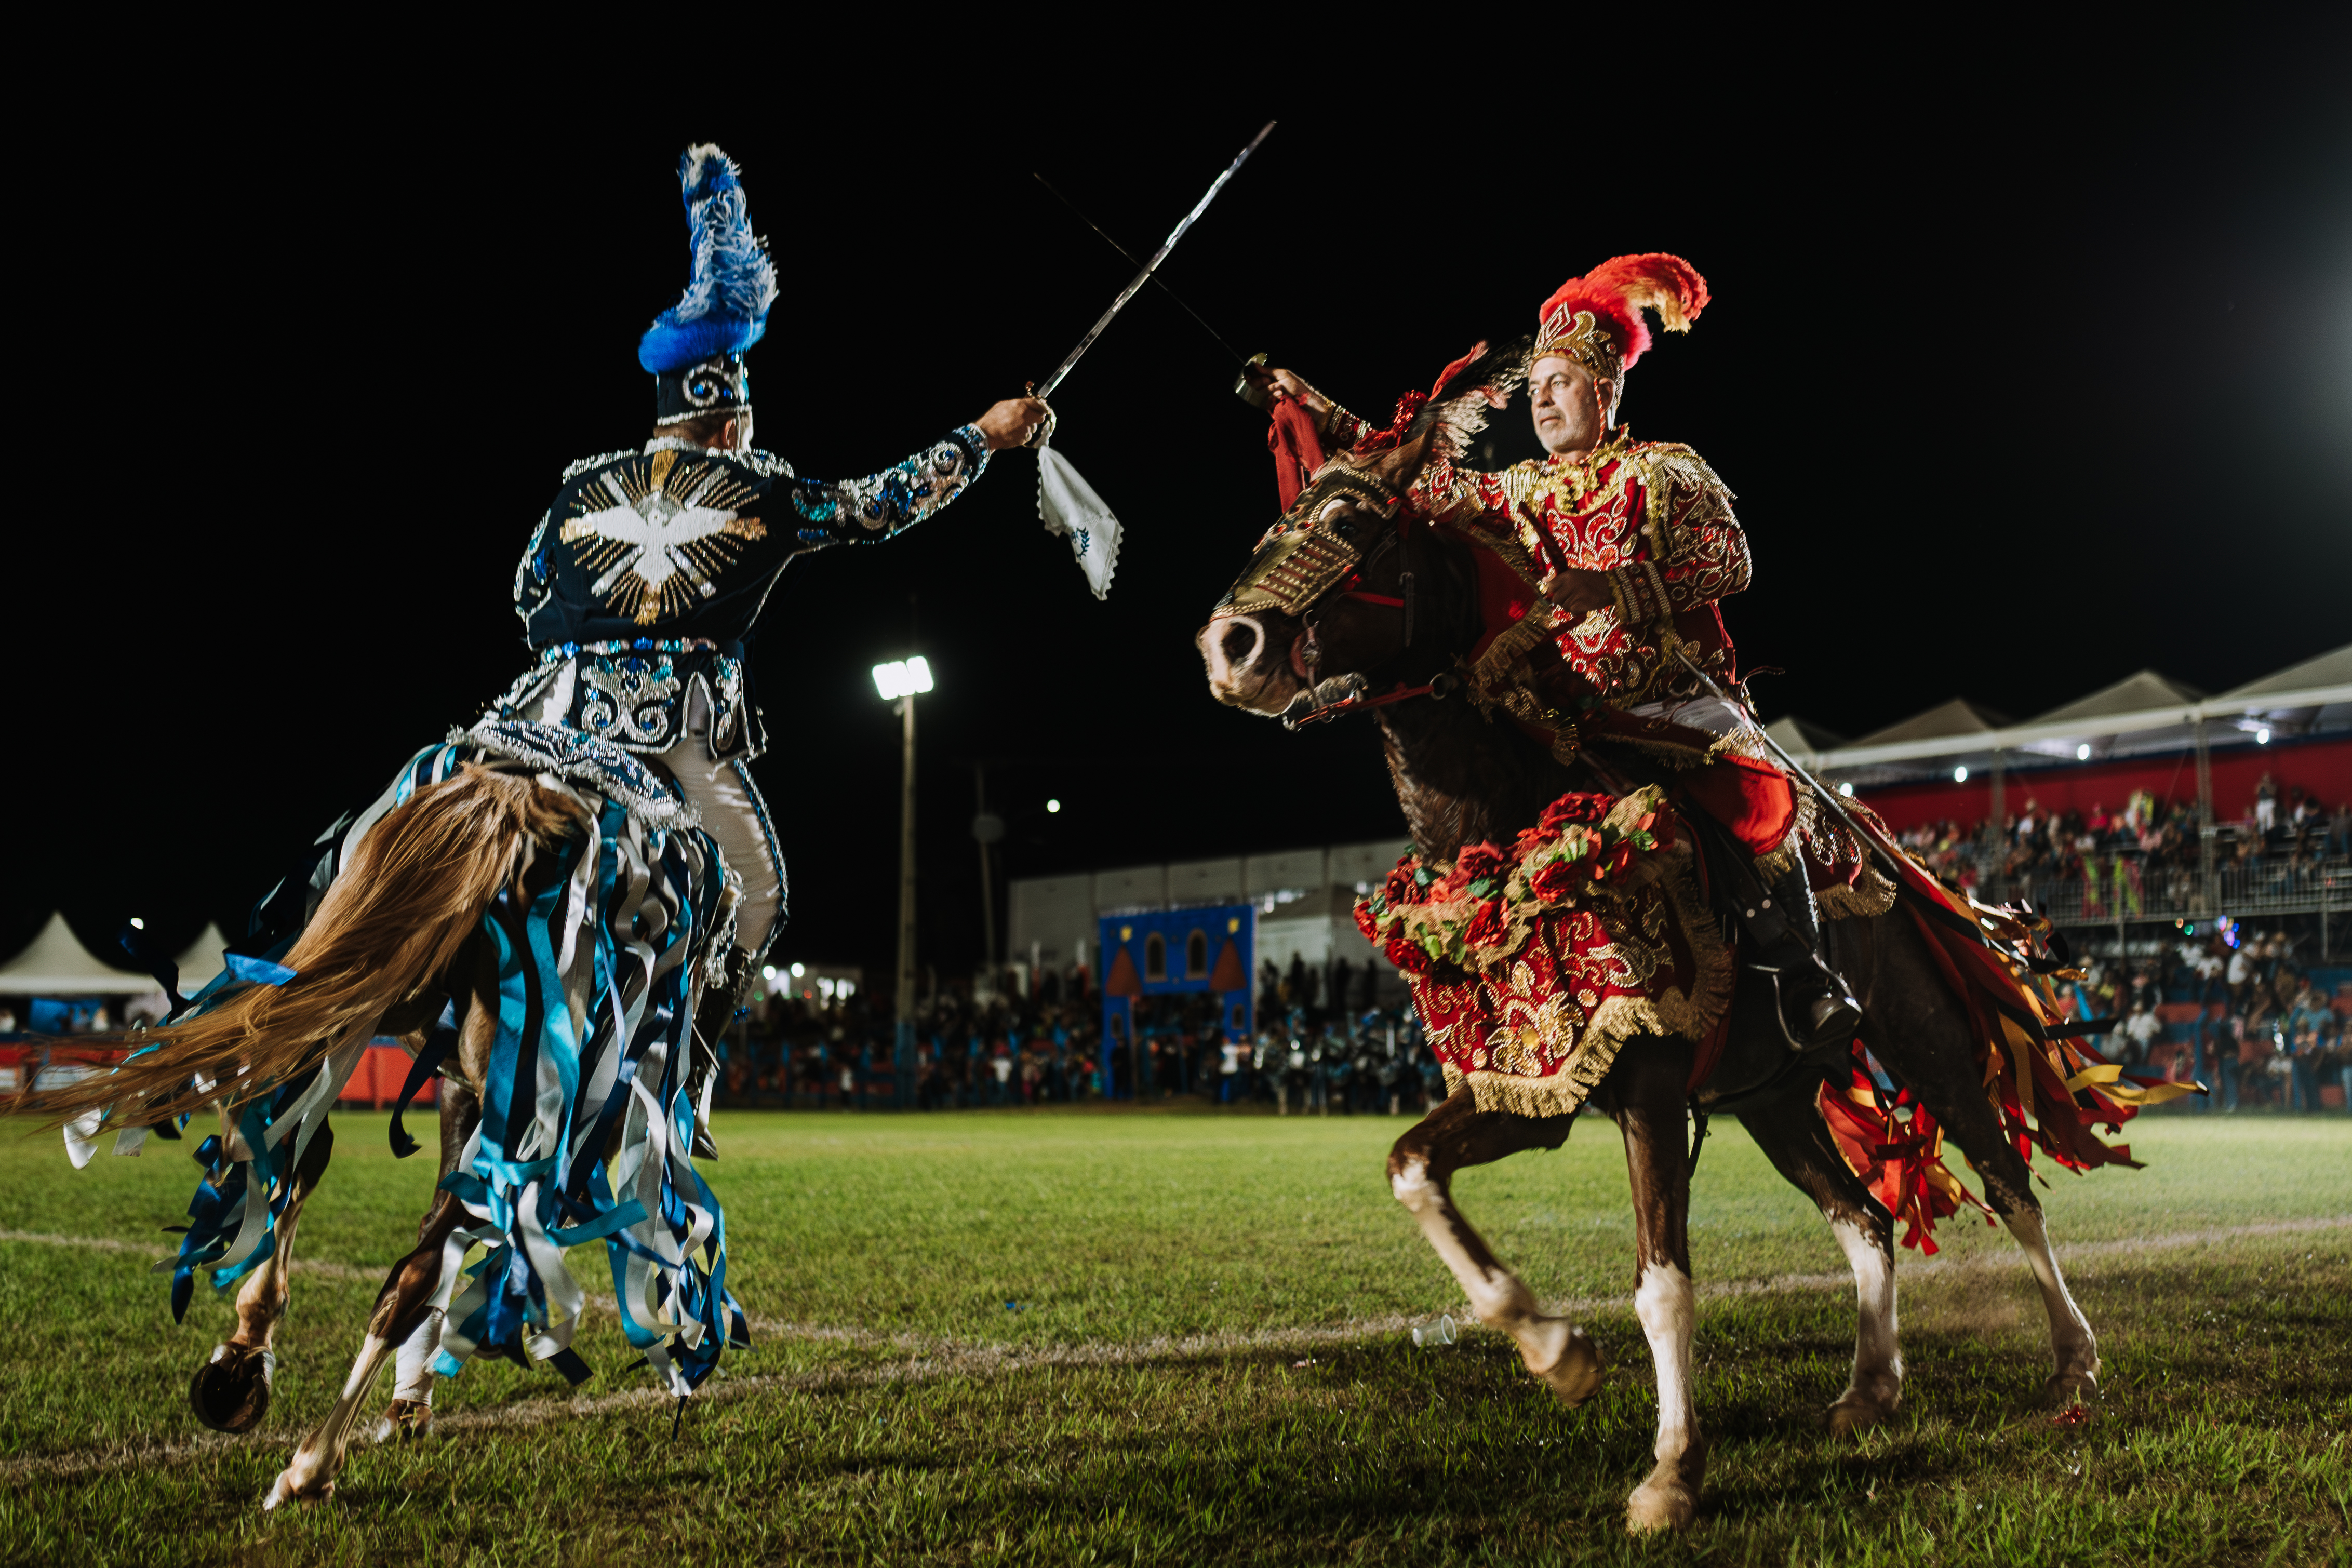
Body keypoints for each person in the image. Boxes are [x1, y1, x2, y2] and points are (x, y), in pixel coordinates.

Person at [1250, 256, 1863, 1050]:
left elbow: (1730, 563)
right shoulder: (1521, 490)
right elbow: (1408, 474)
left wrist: (1615, 590)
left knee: (1748, 796)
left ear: (1604, 390)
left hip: (1676, 697)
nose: (1540, 398)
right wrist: (1314, 407)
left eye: (1560, 382)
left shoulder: (1668, 469)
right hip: (1575, 714)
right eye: (1534, 387)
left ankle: (1806, 970)